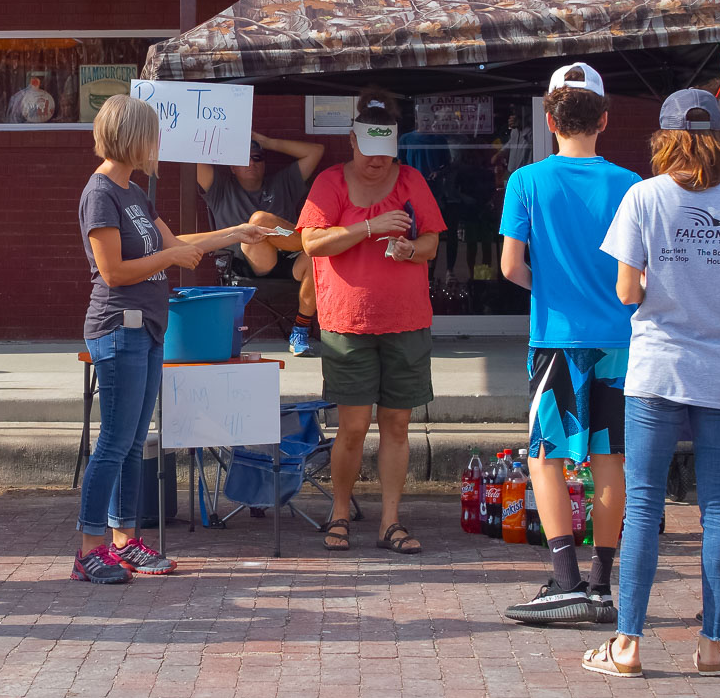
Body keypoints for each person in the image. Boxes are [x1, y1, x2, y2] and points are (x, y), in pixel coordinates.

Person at [584, 88, 720, 680]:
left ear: (664, 139)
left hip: (658, 368)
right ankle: (712, 644)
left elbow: (626, 291)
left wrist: (666, 284)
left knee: (643, 503)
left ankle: (628, 645)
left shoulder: (643, 197)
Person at [75, 96, 266, 584]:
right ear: (132, 137)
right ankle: (89, 549)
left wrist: (242, 231)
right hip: (119, 329)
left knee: (134, 441)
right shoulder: (101, 194)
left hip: (150, 330)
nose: (161, 144)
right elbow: (114, 271)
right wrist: (168, 260)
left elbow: (181, 246)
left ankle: (123, 540)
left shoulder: (134, 194)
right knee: (115, 443)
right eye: (155, 135)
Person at [499, 63, 637, 626]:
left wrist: (551, 286)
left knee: (546, 456)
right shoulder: (631, 184)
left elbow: (511, 267)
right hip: (620, 337)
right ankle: (603, 585)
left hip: (556, 337)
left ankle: (565, 581)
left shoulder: (526, 182)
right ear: (603, 119)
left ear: (549, 119)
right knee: (610, 458)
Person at [297, 90, 444, 555]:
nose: (377, 165)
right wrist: (369, 227)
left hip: (405, 320)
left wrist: (408, 249)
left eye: (386, 157)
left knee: (397, 425)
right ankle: (339, 512)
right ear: (353, 143)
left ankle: (390, 520)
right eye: (369, 155)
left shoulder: (412, 180)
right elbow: (312, 244)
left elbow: (431, 245)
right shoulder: (330, 183)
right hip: (347, 322)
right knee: (354, 426)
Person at [196, 131, 325, 354]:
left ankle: (300, 330)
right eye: (242, 159)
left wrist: (270, 141)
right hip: (245, 262)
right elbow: (192, 158)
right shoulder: (220, 188)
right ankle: (312, 242)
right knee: (259, 220)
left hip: (288, 259)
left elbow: (316, 151)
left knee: (317, 257)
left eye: (257, 158)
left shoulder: (282, 182)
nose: (251, 163)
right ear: (232, 167)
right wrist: (224, 140)